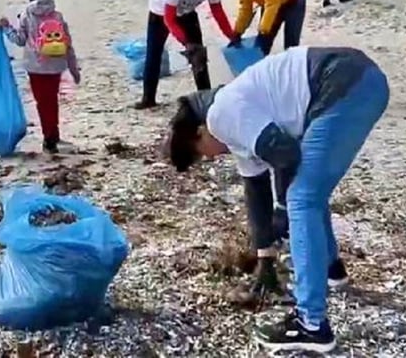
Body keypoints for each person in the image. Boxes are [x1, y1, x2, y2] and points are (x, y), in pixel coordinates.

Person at [165, 46, 389, 354]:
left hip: (343, 82)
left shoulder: (222, 115)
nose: (211, 158)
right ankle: (331, 269)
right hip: (359, 81)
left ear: (201, 132)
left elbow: (285, 154)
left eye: (202, 154)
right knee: (310, 190)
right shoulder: (236, 128)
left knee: (301, 198)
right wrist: (265, 258)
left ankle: (312, 325)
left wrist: (283, 209)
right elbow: (256, 192)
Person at [135, 0, 235, 110]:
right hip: (160, 13)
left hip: (187, 13)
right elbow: (169, 19)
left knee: (199, 55)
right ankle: (148, 98)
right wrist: (185, 42)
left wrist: (231, 35)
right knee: (154, 54)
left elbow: (218, 13)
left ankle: (205, 97)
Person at [0, 0, 80, 154]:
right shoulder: (57, 15)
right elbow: (68, 43)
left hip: (35, 67)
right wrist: (74, 69)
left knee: (42, 102)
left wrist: (6, 28)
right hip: (56, 65)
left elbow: (19, 40)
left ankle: (49, 138)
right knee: (52, 100)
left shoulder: (26, 15)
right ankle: (54, 133)